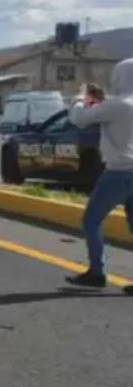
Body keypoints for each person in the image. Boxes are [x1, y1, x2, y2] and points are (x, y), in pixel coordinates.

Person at [64, 65, 133, 288]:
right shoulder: (121, 103)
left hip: (119, 171)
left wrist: (80, 97)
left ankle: (97, 272)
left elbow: (79, 118)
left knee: (91, 220)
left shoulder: (118, 104)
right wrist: (100, 99)